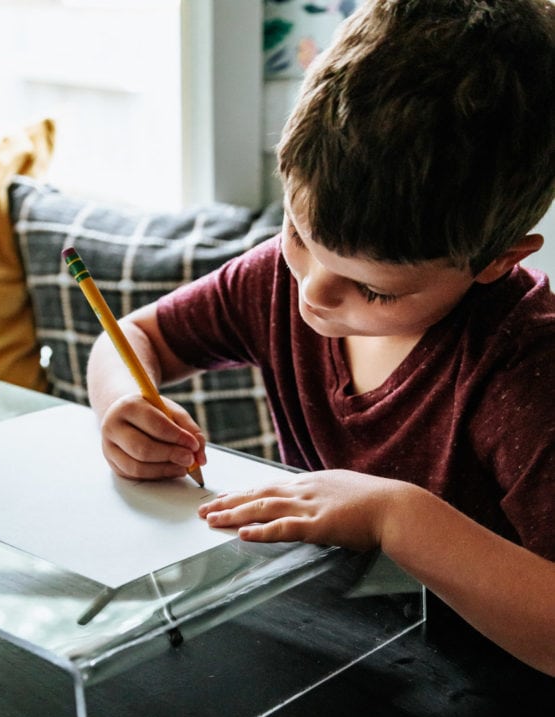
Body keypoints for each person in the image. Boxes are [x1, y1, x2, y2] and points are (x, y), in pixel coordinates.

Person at [87, 0, 555, 675]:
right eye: (298, 235)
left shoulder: (527, 370)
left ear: (496, 262)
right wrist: (121, 404)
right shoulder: (274, 279)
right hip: (338, 656)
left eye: (374, 290)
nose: (312, 292)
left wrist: (395, 516)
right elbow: (133, 338)